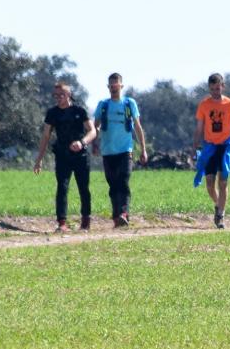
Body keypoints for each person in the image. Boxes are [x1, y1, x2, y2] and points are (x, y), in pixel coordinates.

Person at [34, 82, 96, 233]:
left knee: (83, 188)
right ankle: (62, 222)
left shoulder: (79, 111)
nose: (58, 98)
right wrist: (39, 159)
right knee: (62, 187)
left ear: (68, 95)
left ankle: (85, 221)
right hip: (62, 155)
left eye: (61, 95)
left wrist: (82, 143)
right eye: (55, 95)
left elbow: (93, 131)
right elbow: (46, 136)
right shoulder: (52, 113)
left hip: (80, 155)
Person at [92, 73, 148, 228]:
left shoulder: (129, 104)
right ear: (108, 87)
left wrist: (143, 149)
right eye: (111, 85)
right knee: (113, 184)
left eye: (116, 85)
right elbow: (94, 127)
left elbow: (137, 126)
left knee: (123, 180)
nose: (113, 88)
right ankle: (117, 216)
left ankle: (124, 213)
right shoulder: (103, 105)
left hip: (125, 150)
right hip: (108, 151)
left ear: (121, 86)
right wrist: (94, 143)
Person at [193, 73, 230, 229]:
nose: (215, 91)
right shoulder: (204, 105)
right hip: (209, 147)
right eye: (212, 88)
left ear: (223, 86)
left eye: (217, 88)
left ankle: (221, 215)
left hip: (225, 147)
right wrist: (194, 147)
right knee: (209, 184)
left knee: (223, 182)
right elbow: (199, 129)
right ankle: (218, 205)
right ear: (209, 88)